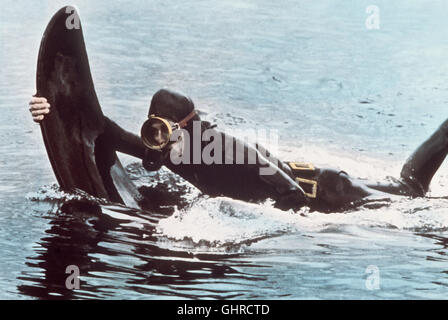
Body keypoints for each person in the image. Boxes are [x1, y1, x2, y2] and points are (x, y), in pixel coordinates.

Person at [29, 89, 448, 212]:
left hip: (330, 192)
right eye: (152, 126)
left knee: (411, 195)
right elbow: (103, 130)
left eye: (163, 130)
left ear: (186, 129)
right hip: (316, 180)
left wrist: (239, 220)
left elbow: (291, 194)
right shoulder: (173, 146)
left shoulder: (221, 147)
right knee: (406, 183)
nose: (153, 139)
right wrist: (50, 106)